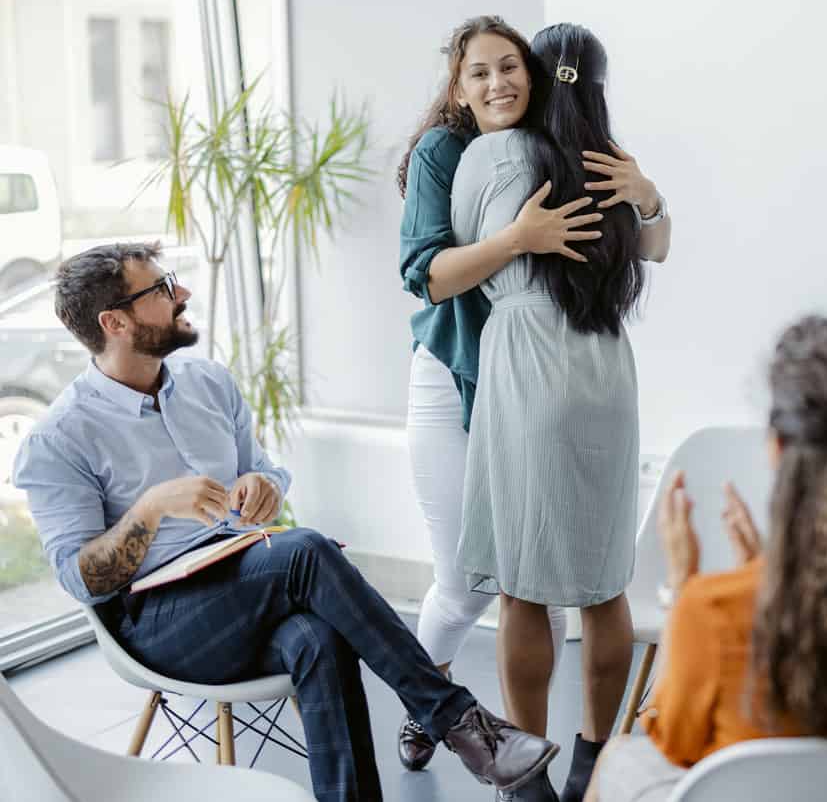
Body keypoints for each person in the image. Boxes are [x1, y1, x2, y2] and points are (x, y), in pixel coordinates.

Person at [12, 243, 558, 802]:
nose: (183, 294)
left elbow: (264, 471)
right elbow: (84, 579)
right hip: (156, 622)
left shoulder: (207, 383)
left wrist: (266, 486)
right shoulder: (60, 438)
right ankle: (465, 727)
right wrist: (152, 508)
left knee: (316, 635)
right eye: (161, 289)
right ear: (115, 322)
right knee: (305, 552)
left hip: (242, 582)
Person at [395, 15, 662, 773]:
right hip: (510, 370)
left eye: (510, 67)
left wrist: (646, 195)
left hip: (522, 366)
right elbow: (428, 273)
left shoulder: (493, 155)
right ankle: (586, 757)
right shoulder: (570, 153)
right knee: (599, 584)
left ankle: (523, 765)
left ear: (537, 76)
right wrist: (533, 234)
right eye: (479, 73)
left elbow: (649, 230)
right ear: (457, 84)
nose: (498, 83)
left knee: (515, 585)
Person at [586, 316, 827, 802]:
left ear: (776, 449)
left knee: (621, 753)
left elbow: (676, 744)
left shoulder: (713, 610)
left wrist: (686, 588)